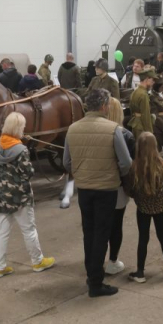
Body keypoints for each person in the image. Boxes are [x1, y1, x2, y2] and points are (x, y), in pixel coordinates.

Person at [64, 89, 133, 297]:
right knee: (102, 234)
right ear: (104, 106)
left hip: (84, 189)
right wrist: (111, 174)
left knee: (89, 233)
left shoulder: (72, 129)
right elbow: (126, 163)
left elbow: (66, 162)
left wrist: (82, 174)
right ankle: (96, 282)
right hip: (106, 189)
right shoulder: (113, 129)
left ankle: (91, 274)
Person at [0, 112, 55, 278]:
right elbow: (27, 173)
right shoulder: (21, 149)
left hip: (1, 194)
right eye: (23, 126)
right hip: (20, 196)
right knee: (29, 230)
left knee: (2, 231)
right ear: (18, 128)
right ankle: (38, 261)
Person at [124, 132, 163, 283]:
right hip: (161, 207)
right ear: (155, 146)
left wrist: (137, 197)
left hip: (142, 208)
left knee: (143, 237)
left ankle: (140, 272)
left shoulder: (134, 167)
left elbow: (129, 189)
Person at [105, 98, 134, 276]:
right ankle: (113, 260)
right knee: (116, 226)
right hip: (117, 187)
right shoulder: (125, 135)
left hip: (95, 185)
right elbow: (128, 164)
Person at [128, 66, 156, 139]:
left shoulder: (135, 92)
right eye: (152, 80)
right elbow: (145, 115)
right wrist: (150, 133)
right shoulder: (143, 94)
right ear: (147, 79)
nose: (153, 82)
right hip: (142, 127)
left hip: (135, 124)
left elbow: (131, 110)